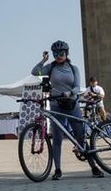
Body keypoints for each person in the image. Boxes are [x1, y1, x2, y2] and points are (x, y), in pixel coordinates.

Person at [32, 40, 104, 179]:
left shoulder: (73, 68)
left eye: (61, 53)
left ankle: (94, 167)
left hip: (72, 105)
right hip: (56, 106)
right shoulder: (50, 68)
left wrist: (69, 93)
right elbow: (35, 72)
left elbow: (77, 87)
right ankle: (57, 170)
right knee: (57, 139)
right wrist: (43, 60)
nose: (58, 56)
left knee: (80, 137)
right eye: (55, 53)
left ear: (67, 53)